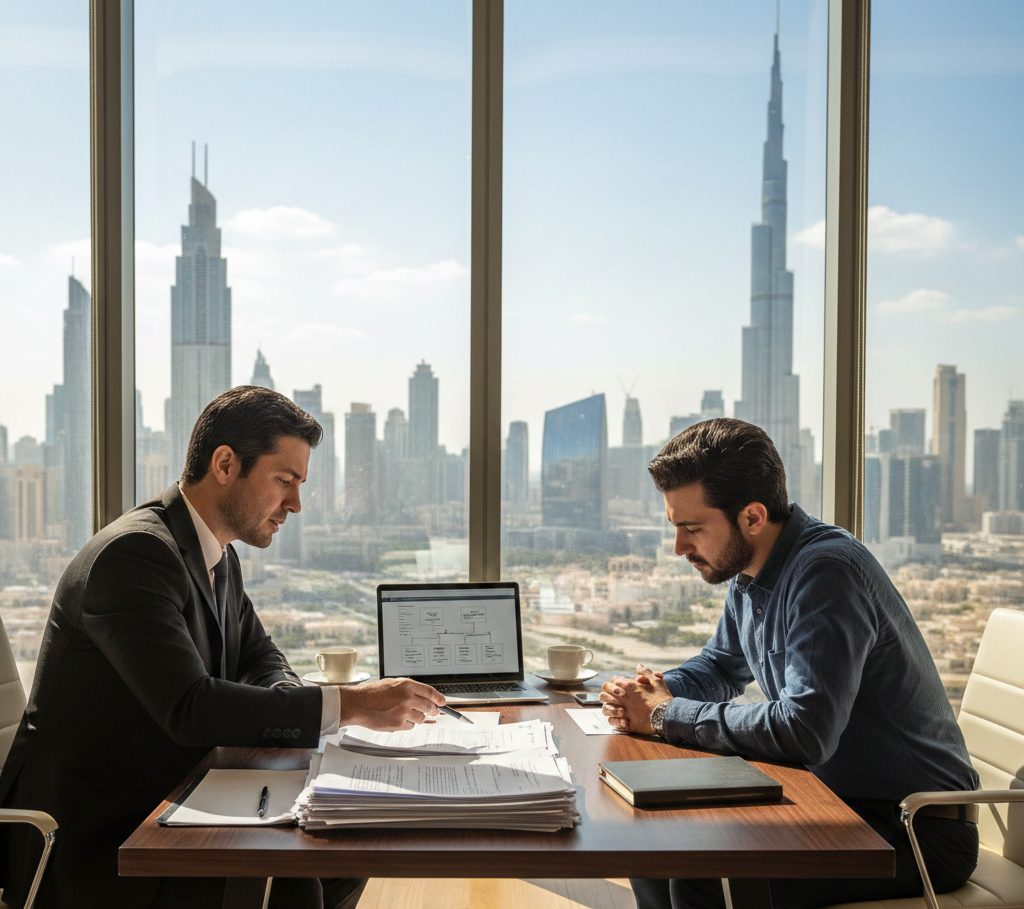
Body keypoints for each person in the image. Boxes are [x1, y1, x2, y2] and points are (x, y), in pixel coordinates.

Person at [0, 386, 446, 909]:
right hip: (95, 837)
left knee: (342, 857)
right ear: (226, 464)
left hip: (176, 795)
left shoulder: (217, 554)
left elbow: (260, 655)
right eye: (284, 481)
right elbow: (191, 708)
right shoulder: (134, 554)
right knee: (295, 883)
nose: (295, 504)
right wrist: (349, 705)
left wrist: (292, 702)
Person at [600, 418, 980, 909]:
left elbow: (805, 730)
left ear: (752, 517)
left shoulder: (826, 572)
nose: (680, 547)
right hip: (831, 801)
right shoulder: (750, 570)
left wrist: (664, 713)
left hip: (914, 830)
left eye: (692, 529)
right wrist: (645, 694)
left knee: (703, 875)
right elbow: (720, 666)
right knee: (653, 845)